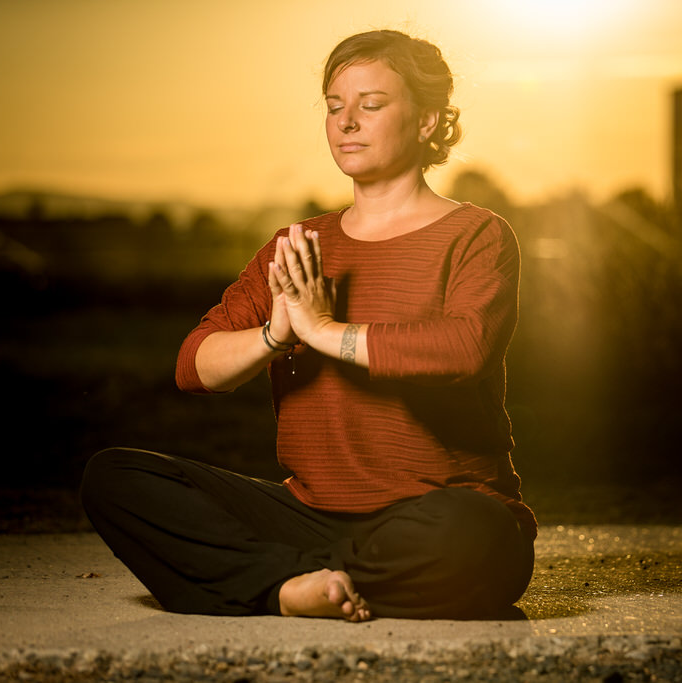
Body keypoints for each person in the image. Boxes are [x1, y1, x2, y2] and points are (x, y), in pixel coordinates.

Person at [80, 29, 535, 622]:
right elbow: (195, 366)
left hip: (438, 511)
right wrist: (276, 335)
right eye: (333, 106)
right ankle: (302, 584)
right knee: (114, 477)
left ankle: (271, 577)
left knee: (479, 535)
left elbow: (462, 348)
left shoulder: (477, 235)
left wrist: (322, 330)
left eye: (370, 105)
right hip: (305, 511)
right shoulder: (297, 246)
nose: (346, 122)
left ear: (426, 122)